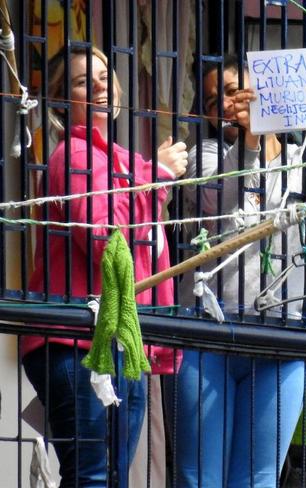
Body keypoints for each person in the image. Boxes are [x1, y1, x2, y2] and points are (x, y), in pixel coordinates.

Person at [168, 54, 306, 487]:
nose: (224, 104)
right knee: (197, 477)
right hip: (208, 335)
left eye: (232, 91)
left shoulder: (303, 156)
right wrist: (251, 140)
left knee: (259, 478)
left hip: (284, 338)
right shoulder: (203, 155)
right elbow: (226, 193)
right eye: (212, 101)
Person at [22, 45, 188, 487]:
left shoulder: (120, 161)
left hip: (115, 338)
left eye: (102, 75)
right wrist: (159, 181)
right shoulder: (76, 155)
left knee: (106, 477)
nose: (98, 86)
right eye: (82, 81)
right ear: (62, 99)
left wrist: (152, 179)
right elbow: (105, 242)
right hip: (79, 339)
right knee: (94, 477)